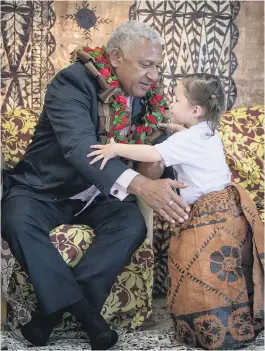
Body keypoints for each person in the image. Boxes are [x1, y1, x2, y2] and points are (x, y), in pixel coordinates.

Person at [1, 21, 190, 350]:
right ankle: (90, 318)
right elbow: (78, 147)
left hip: (101, 195)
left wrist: (168, 147)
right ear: (115, 57)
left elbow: (150, 159)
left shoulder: (148, 99)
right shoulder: (71, 82)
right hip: (44, 189)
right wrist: (140, 185)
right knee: (15, 219)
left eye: (157, 66)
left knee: (131, 224)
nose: (154, 75)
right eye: (146, 65)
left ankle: (50, 316)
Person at [88, 73, 264, 349]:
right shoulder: (207, 131)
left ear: (194, 110)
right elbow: (192, 143)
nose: (171, 102)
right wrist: (181, 131)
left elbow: (152, 154)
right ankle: (234, 323)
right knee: (228, 272)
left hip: (209, 216)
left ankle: (212, 332)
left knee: (201, 271)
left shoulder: (187, 140)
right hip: (230, 211)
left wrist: (114, 148)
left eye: (176, 98)